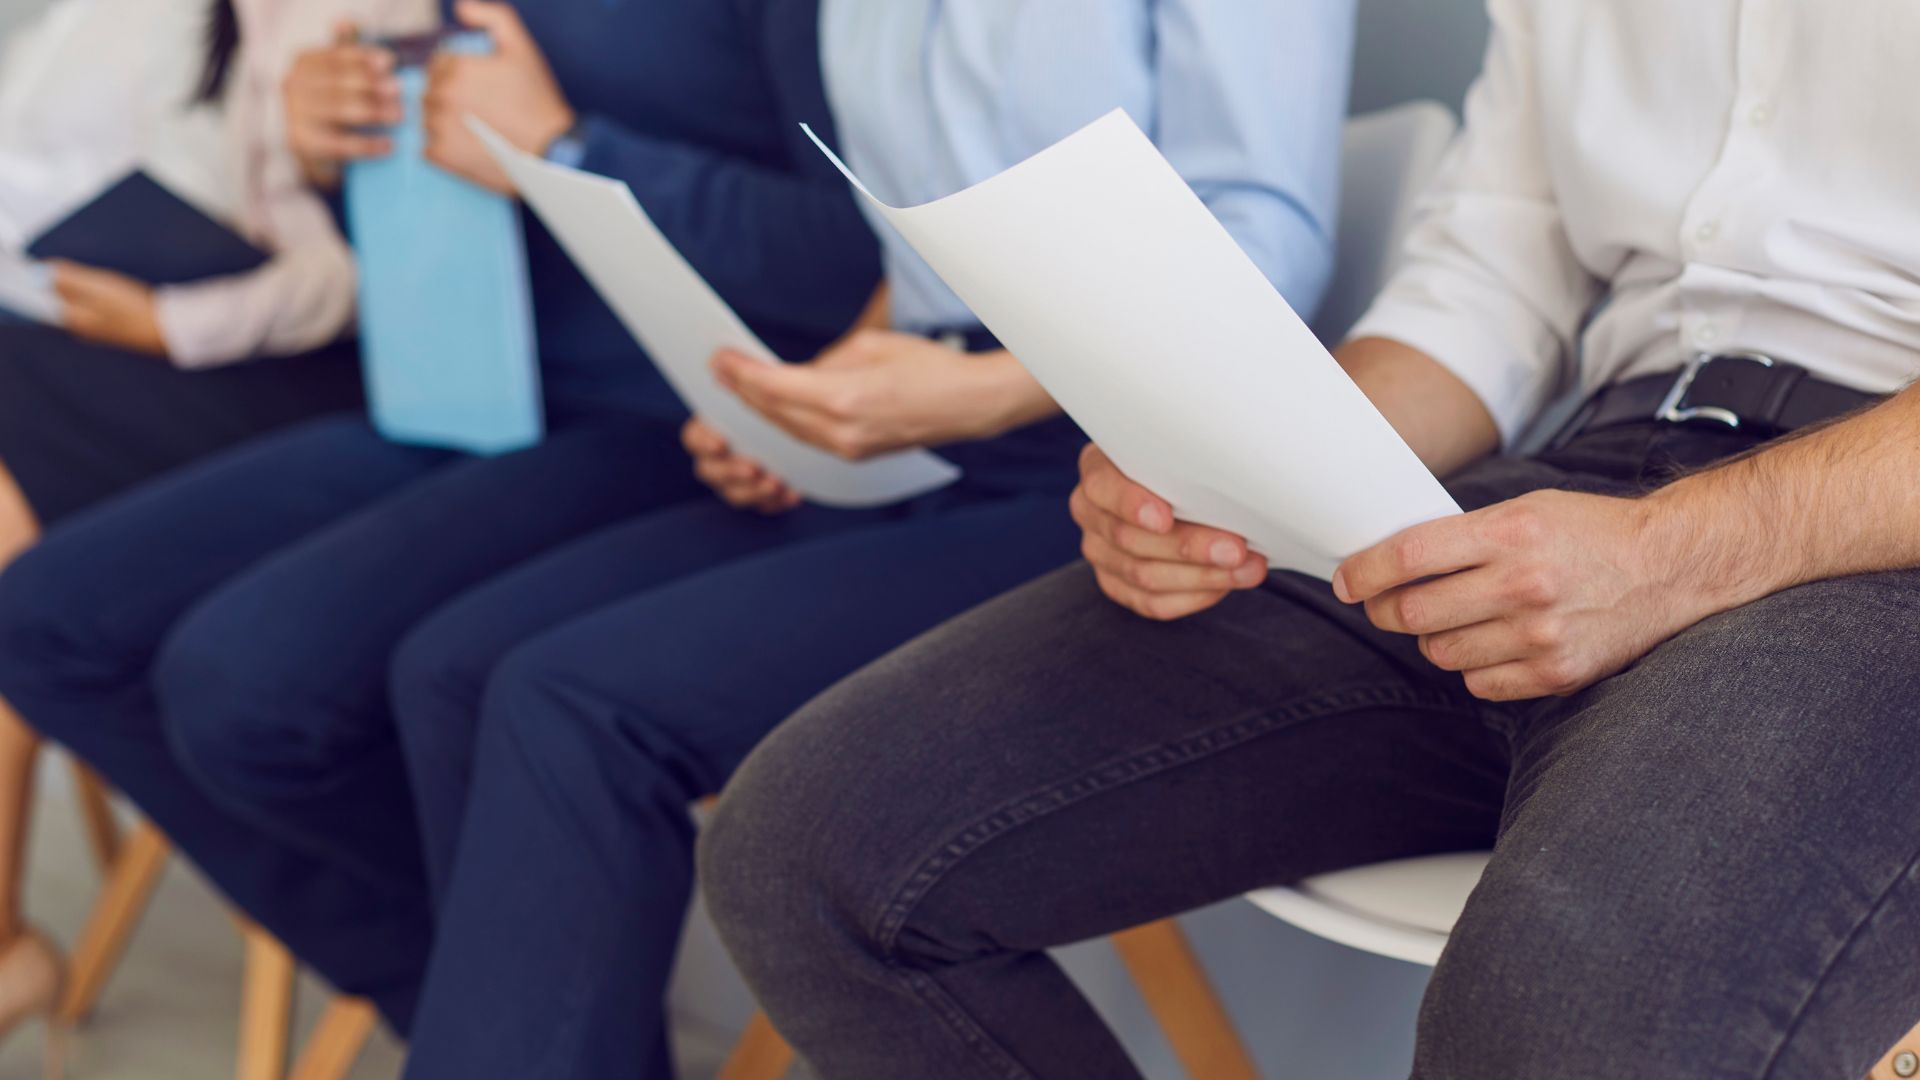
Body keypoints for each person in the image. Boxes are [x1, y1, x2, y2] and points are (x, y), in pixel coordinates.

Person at [698, 2, 1920, 1078]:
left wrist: (1673, 554)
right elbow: (1491, 278)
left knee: (1562, 1040)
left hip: (1864, 543)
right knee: (814, 854)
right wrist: (1234, 467)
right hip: (1574, 486)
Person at [375, 2, 1352, 1076]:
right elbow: (913, 243)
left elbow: (1265, 252)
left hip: (1131, 469)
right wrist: (817, 396)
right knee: (464, 669)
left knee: (576, 711)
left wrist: (976, 394)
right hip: (926, 411)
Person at [0, 0, 880, 1035]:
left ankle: (504, 1021)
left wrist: (567, 150)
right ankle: (480, 1011)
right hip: (455, 390)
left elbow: (861, 259)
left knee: (251, 684)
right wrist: (328, 143)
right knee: (46, 616)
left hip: (681, 421)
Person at [0, 0, 391, 1045]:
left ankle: (2, 955)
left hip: (262, 383)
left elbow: (351, 277)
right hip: (97, 344)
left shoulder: (329, 19)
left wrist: (164, 324)